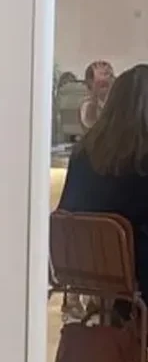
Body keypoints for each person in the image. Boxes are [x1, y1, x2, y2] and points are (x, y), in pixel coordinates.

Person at [60, 63, 148, 300]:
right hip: (137, 276)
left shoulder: (82, 153)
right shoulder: (141, 160)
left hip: (86, 270)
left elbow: (67, 211)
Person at [80, 59, 115, 133]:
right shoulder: (87, 104)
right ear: (90, 82)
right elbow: (90, 121)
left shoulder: (119, 100)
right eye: (103, 74)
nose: (108, 79)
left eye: (110, 75)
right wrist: (96, 89)